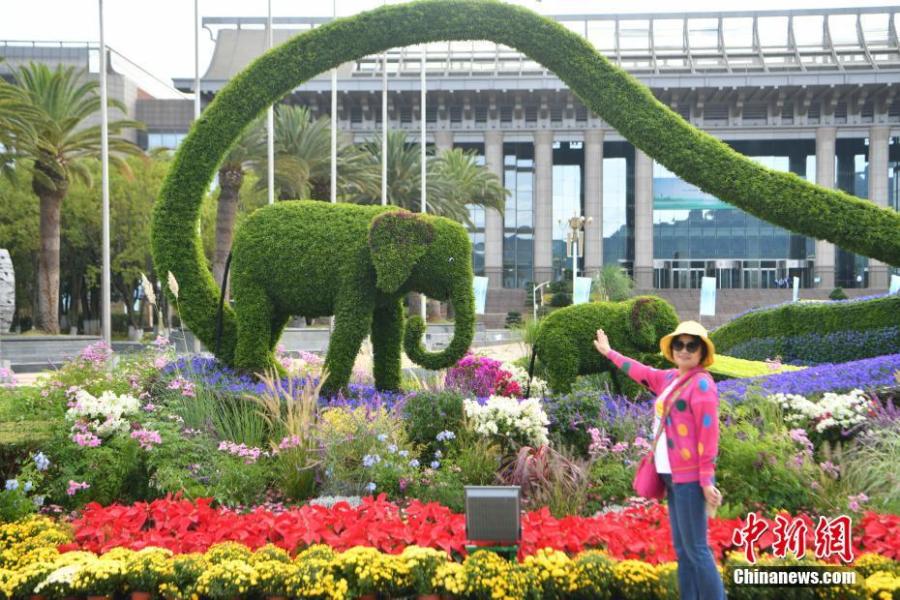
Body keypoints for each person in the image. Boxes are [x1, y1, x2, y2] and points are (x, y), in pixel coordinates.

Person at [594, 320, 726, 600]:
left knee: (697, 550)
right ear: (673, 349)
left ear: (702, 351)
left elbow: (709, 436)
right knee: (683, 550)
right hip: (671, 474)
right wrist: (609, 353)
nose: (685, 350)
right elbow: (641, 372)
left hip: (690, 477)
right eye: (679, 344)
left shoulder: (702, 384)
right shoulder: (670, 378)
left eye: (692, 345)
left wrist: (706, 481)